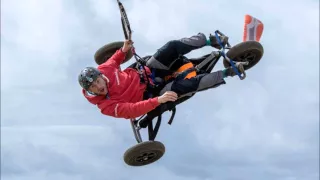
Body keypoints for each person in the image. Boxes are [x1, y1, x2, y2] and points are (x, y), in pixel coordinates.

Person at [78, 32, 245, 121]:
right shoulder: (106, 107)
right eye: (94, 88)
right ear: (90, 91)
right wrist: (158, 100)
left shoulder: (104, 69)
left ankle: (211, 41)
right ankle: (228, 72)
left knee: (171, 47)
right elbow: (132, 110)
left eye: (98, 82)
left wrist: (123, 49)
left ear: (100, 75)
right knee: (186, 87)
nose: (99, 87)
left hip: (147, 70)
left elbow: (115, 60)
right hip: (152, 94)